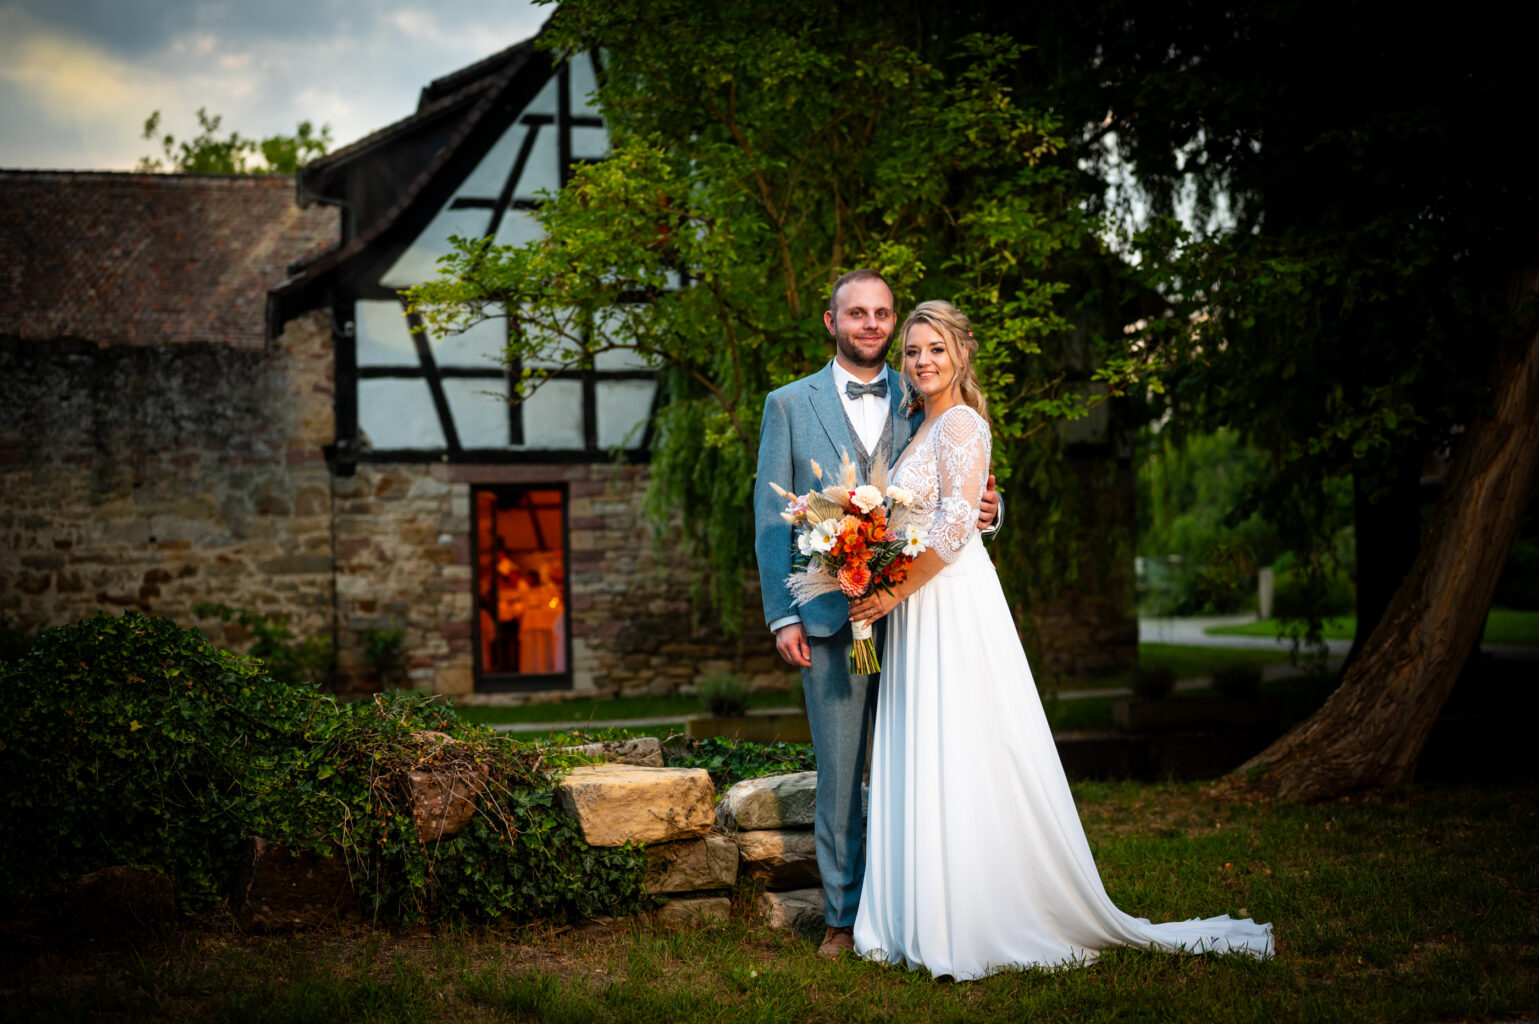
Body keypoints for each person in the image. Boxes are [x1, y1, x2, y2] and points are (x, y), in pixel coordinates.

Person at [846, 300, 1274, 979]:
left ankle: (972, 916)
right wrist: (860, 556)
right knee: (929, 741)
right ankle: (917, 909)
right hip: (915, 605)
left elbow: (955, 530)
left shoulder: (959, 421)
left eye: (933, 348)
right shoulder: (917, 424)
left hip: (946, 604)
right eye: (911, 352)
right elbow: (929, 514)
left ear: (960, 354)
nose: (921, 361)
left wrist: (889, 590)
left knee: (961, 742)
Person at [753, 271, 1000, 960]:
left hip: (922, 619)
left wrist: (992, 509)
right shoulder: (787, 405)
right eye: (855, 313)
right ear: (831, 322)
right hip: (830, 615)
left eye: (881, 314)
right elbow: (773, 522)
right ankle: (841, 918)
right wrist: (784, 616)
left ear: (894, 324)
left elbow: (956, 492)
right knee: (840, 771)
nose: (871, 325)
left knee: (918, 762)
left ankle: (917, 904)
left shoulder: (922, 393)